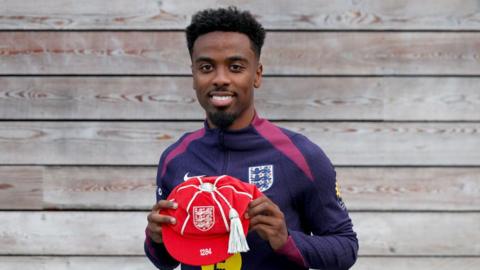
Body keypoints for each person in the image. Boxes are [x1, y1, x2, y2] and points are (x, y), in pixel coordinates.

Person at [145, 6, 358, 270]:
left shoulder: (300, 155)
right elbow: (166, 260)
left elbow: (345, 247)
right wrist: (155, 239)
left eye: (235, 67)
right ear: (194, 75)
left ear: (256, 75)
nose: (220, 79)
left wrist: (286, 239)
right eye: (207, 67)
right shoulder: (175, 158)